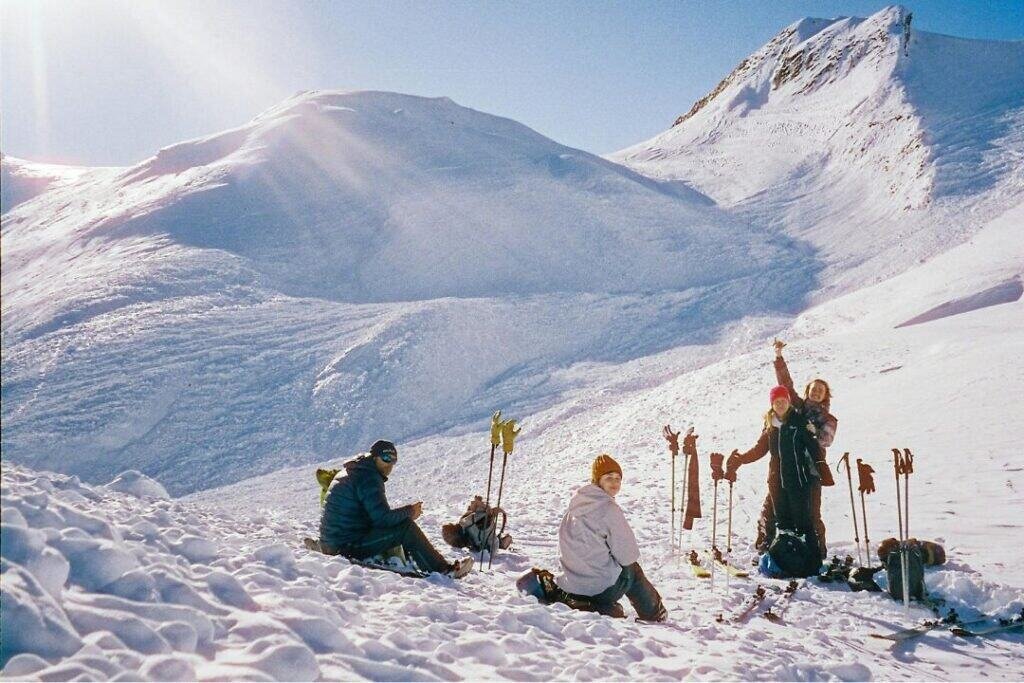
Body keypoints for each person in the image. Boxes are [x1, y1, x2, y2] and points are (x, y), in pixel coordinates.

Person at [319, 439, 473, 578]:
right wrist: (410, 511)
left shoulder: (357, 470)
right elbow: (382, 519)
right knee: (406, 529)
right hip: (345, 547)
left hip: (334, 540)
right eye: (386, 459)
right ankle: (443, 571)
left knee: (398, 525)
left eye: (393, 461)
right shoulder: (369, 478)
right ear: (374, 457)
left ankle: (410, 561)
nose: (390, 465)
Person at [552, 454, 667, 621]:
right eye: (608, 478)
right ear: (598, 481)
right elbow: (629, 556)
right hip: (599, 589)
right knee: (632, 570)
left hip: (571, 586)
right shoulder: (608, 509)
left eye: (618, 478)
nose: (614, 483)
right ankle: (654, 614)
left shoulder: (574, 507)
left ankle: (603, 608)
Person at [755, 339, 838, 558]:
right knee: (771, 508)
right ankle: (767, 546)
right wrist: (779, 358)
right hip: (787, 468)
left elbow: (826, 441)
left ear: (825, 395)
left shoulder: (828, 418)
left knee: (811, 514)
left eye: (821, 390)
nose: (817, 392)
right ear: (808, 391)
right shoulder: (798, 408)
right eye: (814, 389)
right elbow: (786, 386)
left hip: (810, 471)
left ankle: (817, 553)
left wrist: (813, 433)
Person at [728, 386, 826, 562]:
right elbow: (759, 449)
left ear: (789, 402)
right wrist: (741, 459)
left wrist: (822, 468)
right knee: (783, 523)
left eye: (783, 400)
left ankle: (814, 560)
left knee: (804, 523)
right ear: (772, 404)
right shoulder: (770, 426)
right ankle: (784, 559)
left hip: (798, 481)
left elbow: (814, 448)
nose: (780, 404)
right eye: (777, 401)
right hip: (776, 482)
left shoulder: (799, 422)